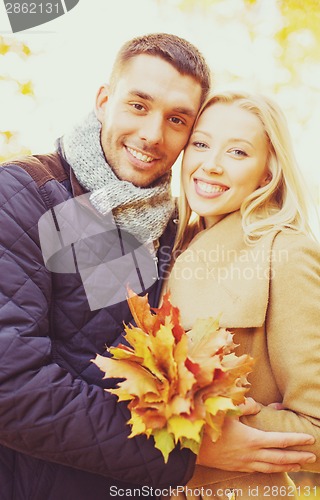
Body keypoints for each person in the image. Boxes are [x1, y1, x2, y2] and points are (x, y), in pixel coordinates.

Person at [0, 33, 316, 500]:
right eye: (138, 105)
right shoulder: (25, 196)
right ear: (104, 101)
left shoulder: (167, 229)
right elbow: (13, 387)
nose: (152, 134)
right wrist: (186, 446)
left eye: (176, 120)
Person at [166, 91, 320, 499]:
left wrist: (199, 437)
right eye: (200, 143)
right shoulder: (169, 242)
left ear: (267, 172)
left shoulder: (286, 254)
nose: (211, 164)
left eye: (237, 151)